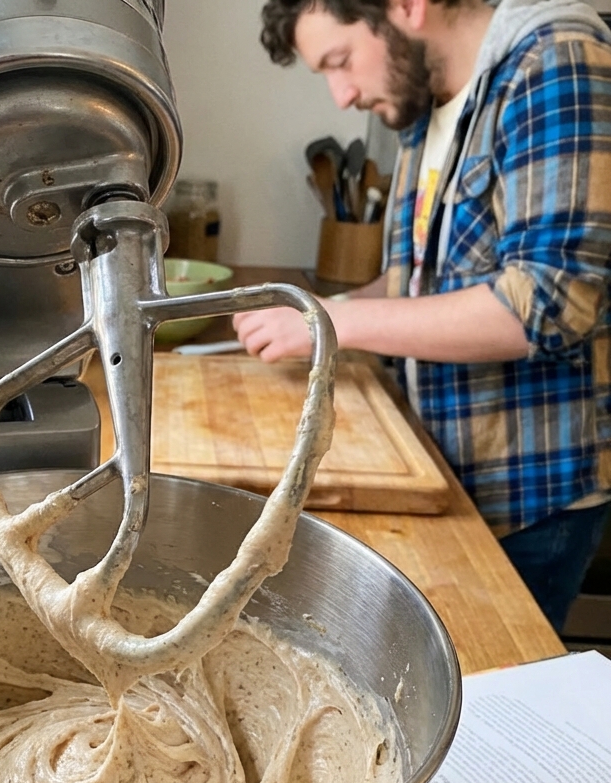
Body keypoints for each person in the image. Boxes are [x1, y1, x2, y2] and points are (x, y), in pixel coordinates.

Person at [238, 0, 611, 632]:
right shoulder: (426, 106)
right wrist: (325, 309)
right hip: (440, 467)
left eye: (341, 61)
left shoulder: (556, 55)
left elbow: (547, 304)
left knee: (485, 704)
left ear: (406, 7)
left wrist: (333, 322)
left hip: (525, 498)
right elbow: (415, 284)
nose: (343, 94)